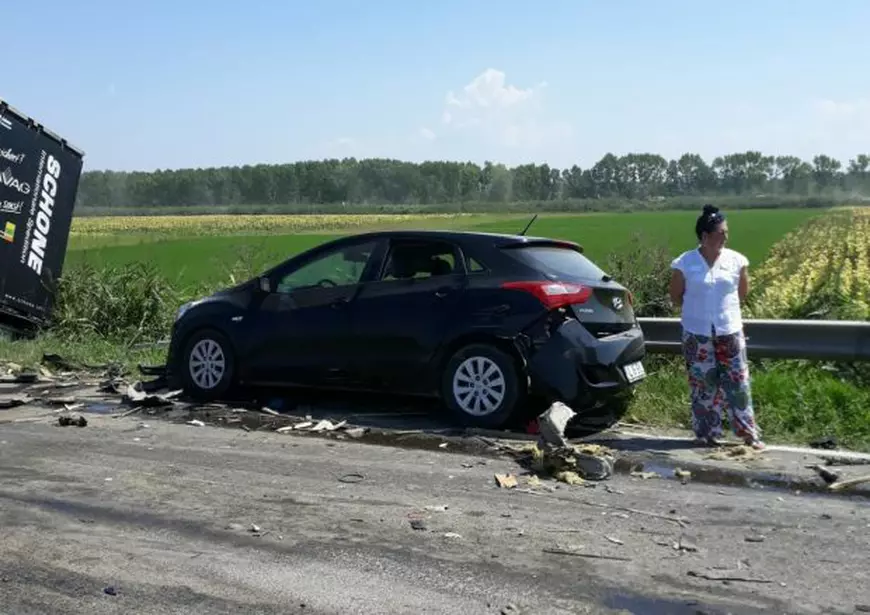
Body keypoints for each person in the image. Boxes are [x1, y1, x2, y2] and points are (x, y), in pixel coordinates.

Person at [668, 205, 764, 450]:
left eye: (726, 232)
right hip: (697, 333)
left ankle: (748, 433)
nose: (725, 237)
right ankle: (706, 432)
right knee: (702, 384)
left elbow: (742, 294)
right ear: (705, 236)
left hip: (729, 329)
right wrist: (698, 311)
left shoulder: (737, 261)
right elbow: (676, 296)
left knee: (738, 382)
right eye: (720, 232)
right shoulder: (684, 263)